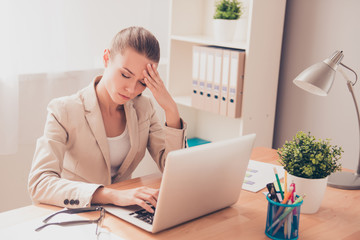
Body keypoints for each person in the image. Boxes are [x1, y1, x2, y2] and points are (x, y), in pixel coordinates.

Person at [28, 26, 187, 213]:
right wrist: (111, 195)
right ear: (106, 58)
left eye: (142, 82)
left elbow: (174, 170)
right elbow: (39, 183)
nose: (131, 89)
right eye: (125, 75)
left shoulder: (144, 108)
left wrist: (170, 109)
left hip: (122, 214)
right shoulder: (63, 110)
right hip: (77, 214)